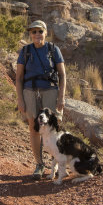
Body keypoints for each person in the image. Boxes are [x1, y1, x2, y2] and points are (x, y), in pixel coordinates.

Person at [16, 20, 66, 180]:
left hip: (50, 89)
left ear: (45, 33)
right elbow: (19, 77)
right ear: (30, 34)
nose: (37, 34)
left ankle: (56, 164)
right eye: (33, 32)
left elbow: (62, 74)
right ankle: (39, 165)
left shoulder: (53, 49)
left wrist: (62, 97)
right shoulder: (25, 51)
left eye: (40, 31)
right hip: (30, 90)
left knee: (53, 127)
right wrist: (20, 99)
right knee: (33, 127)